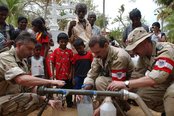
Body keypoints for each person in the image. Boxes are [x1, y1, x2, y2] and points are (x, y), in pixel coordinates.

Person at [108, 27, 174, 116]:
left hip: (167, 82)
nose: (133, 52)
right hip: (166, 80)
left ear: (145, 42)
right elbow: (136, 76)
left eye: (135, 47)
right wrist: (121, 92)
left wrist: (124, 83)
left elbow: (154, 79)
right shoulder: (143, 56)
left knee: (171, 94)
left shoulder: (165, 50)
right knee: (141, 96)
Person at [0, 31, 65, 115]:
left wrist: (47, 100)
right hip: (2, 99)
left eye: (33, 49)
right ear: (19, 45)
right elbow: (21, 79)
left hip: (6, 99)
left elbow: (29, 87)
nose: (32, 52)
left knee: (38, 99)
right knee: (32, 98)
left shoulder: (23, 61)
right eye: (29, 49)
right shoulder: (5, 57)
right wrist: (51, 81)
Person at [78, 35, 134, 115]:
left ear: (106, 46)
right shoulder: (98, 55)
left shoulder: (119, 56)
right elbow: (92, 74)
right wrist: (84, 88)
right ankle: (119, 105)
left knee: (100, 81)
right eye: (94, 53)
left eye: (97, 52)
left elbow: (116, 85)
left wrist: (101, 108)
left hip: (127, 83)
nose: (96, 55)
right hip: (114, 81)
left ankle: (116, 109)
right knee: (94, 82)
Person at [51, 32, 73, 107]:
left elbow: (72, 64)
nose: (63, 43)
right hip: (59, 75)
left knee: (69, 90)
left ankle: (69, 103)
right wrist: (53, 73)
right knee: (60, 91)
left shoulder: (70, 52)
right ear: (58, 42)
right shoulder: (55, 51)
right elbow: (53, 63)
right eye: (61, 42)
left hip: (68, 76)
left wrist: (71, 74)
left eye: (65, 42)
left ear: (67, 42)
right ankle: (61, 104)